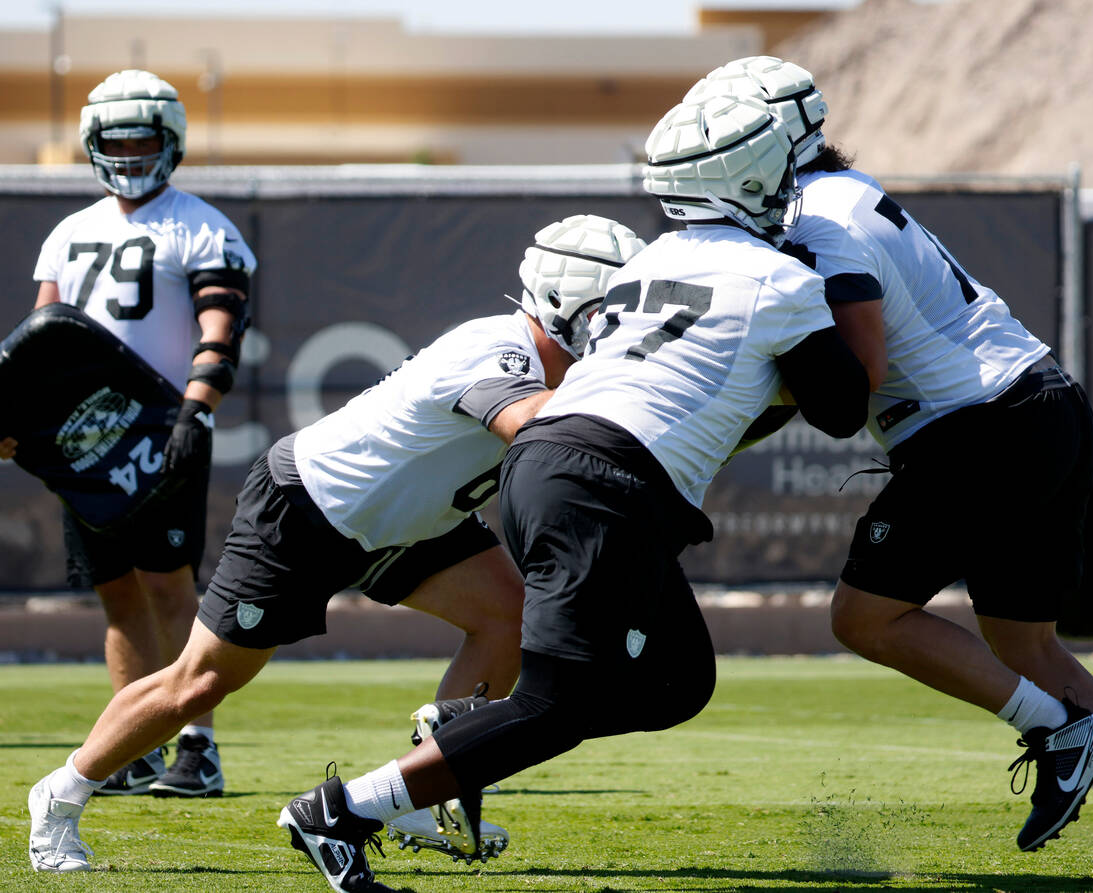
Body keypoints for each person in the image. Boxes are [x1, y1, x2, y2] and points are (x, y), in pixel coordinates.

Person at [276, 93, 870, 893]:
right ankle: (342, 809)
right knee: (555, 704)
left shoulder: (654, 258)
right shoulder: (782, 277)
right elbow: (841, 409)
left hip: (556, 468)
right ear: (748, 185)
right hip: (603, 484)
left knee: (679, 680)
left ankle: (470, 732)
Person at [691, 56, 1093, 883]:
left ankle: (1056, 729)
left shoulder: (819, 218)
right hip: (1039, 400)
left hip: (977, 423)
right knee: (1027, 643)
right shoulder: (845, 192)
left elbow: (856, 366)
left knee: (863, 617)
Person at [26, 213, 646, 876]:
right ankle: (59, 795)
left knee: (507, 614)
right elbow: (535, 430)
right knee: (199, 680)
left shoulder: (560, 364)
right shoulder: (502, 349)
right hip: (309, 507)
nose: (619, 333)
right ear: (559, 302)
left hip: (410, 517)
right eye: (608, 314)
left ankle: (416, 791)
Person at [0, 69, 256, 800]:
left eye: (144, 138)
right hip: (87, 436)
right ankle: (133, 746)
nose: (131, 151)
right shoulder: (69, 232)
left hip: (165, 423)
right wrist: (14, 419)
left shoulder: (203, 224)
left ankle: (197, 747)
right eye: (117, 140)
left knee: (171, 589)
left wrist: (196, 408)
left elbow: (221, 327)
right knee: (116, 595)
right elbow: (37, 345)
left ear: (171, 141)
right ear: (92, 145)